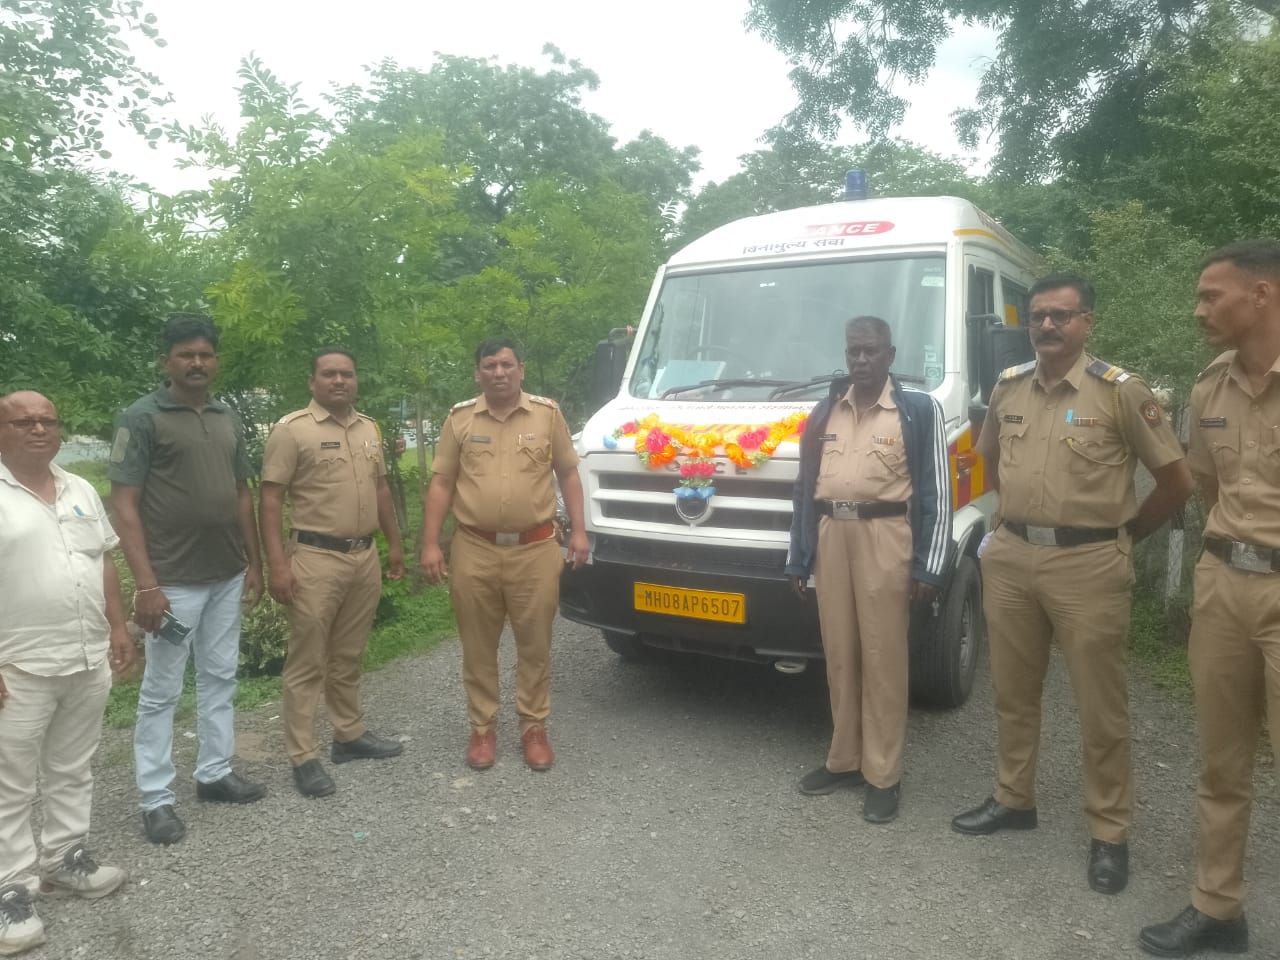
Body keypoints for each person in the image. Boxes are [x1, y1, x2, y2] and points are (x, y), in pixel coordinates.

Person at [951, 274, 1194, 895]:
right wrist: (1004, 526)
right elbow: (990, 457)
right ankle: (1013, 798)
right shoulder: (1008, 386)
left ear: (1087, 322)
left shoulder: (1120, 391)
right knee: (1012, 692)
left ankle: (1109, 832)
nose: (1048, 326)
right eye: (1038, 316)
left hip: (1088, 563)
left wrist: (1123, 537)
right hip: (1012, 557)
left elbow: (1177, 482)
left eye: (1061, 315)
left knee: (1100, 706)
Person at [1139, 241, 1280, 957]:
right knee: (1221, 763)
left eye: (1210, 296)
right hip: (1225, 584)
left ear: (1261, 294)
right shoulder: (1209, 389)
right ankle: (1217, 907)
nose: (1198, 310)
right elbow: (1210, 489)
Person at [785, 316, 952, 823]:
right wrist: (799, 555)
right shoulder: (825, 411)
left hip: (886, 537)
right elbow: (804, 488)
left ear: (890, 355)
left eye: (871, 351)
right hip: (832, 537)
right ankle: (844, 760)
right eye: (853, 351)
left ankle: (883, 773)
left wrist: (930, 567)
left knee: (883, 658)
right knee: (840, 653)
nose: (861, 359)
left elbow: (937, 492)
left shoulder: (916, 410)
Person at [110, 315, 267, 846]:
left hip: (226, 573)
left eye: (205, 354)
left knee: (221, 675)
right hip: (173, 581)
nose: (196, 363)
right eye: (186, 354)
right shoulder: (142, 418)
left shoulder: (226, 417)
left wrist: (255, 563)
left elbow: (241, 493)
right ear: (166, 361)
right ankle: (155, 799)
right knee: (162, 690)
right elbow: (124, 505)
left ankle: (214, 773)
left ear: (215, 361)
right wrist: (146, 584)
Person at [0, 392, 134, 955]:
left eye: (47, 421)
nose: (39, 429)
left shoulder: (79, 488)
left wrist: (119, 626)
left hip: (85, 655)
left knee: (72, 767)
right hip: (17, 664)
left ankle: (64, 858)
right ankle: (10, 890)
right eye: (23, 421)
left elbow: (102, 560)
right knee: (9, 782)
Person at [420, 338, 589, 772]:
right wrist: (431, 543)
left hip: (535, 549)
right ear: (477, 373)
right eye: (490, 365)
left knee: (535, 644)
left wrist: (580, 532)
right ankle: (482, 728)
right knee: (478, 645)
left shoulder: (547, 414)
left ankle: (533, 727)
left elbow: (568, 473)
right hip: (474, 548)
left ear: (521, 369)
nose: (499, 372)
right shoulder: (459, 419)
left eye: (507, 364)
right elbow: (441, 483)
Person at [259, 348, 406, 798]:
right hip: (315, 559)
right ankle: (303, 756)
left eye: (347, 373)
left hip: (363, 557)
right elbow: (270, 499)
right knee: (307, 660)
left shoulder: (368, 429)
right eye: (329, 374)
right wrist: (277, 565)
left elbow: (381, 488)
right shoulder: (292, 431)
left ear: (355, 380)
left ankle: (349, 734)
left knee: (348, 653)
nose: (339, 381)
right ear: (313, 382)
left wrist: (395, 544)